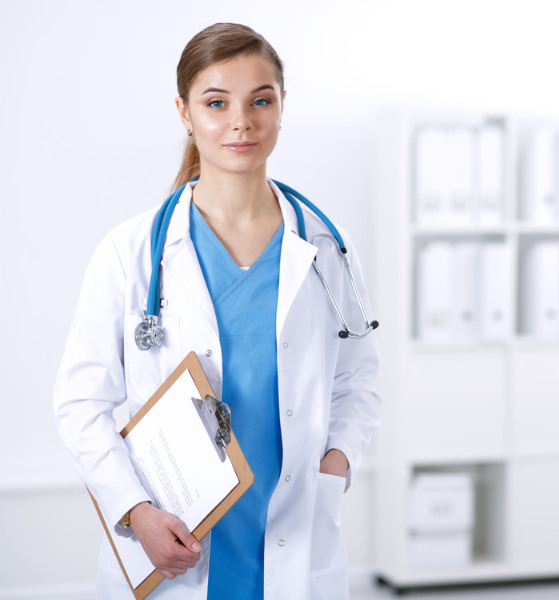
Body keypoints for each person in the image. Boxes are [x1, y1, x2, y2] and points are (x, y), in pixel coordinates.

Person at [53, 22, 381, 600]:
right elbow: (81, 403)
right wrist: (135, 511)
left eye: (261, 100)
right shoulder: (131, 252)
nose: (241, 121)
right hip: (173, 540)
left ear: (282, 106)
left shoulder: (325, 248)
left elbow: (358, 381)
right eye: (216, 102)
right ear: (184, 112)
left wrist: (336, 463)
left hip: (294, 533)